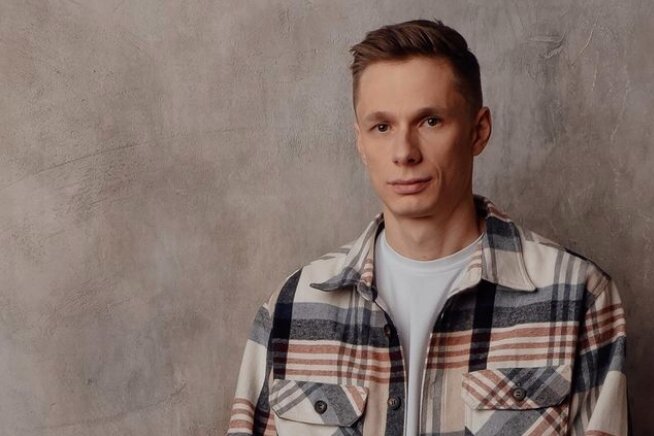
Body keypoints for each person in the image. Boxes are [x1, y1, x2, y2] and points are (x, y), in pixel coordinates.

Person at [226, 19, 629, 436]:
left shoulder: (577, 297)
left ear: (478, 131)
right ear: (360, 141)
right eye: (382, 127)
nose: (404, 152)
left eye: (430, 121)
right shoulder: (292, 306)